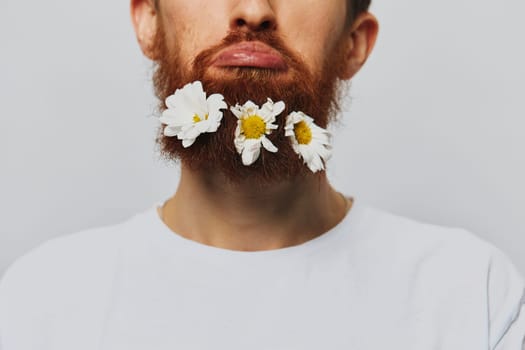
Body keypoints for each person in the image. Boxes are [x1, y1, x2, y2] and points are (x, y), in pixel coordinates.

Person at [0, 0, 524, 348]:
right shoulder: (39, 306)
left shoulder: (473, 299)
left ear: (354, 42)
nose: (252, 10)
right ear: (148, 20)